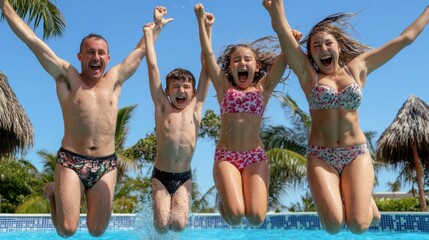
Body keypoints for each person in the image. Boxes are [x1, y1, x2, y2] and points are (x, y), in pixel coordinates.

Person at [0, 1, 173, 237]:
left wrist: (157, 27)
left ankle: (57, 195)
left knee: (97, 231)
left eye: (101, 53)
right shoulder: (66, 76)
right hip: (71, 160)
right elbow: (32, 41)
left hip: (106, 164)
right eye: (90, 52)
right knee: (67, 230)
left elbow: (139, 53)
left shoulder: (114, 80)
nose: (96, 56)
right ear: (80, 56)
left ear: (108, 58)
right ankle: (53, 195)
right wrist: (6, 7)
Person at [265, 0, 429, 234]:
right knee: (332, 226)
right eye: (316, 46)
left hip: (356, 154)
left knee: (358, 226)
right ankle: (353, 199)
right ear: (310, 53)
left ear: (338, 47)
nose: (323, 49)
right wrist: (275, 7)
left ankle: (364, 203)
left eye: (328, 43)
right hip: (321, 155)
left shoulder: (358, 68)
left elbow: (406, 38)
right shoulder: (308, 75)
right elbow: (282, 29)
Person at [194, 3, 301, 226]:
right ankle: (223, 199)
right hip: (227, 156)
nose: (242, 63)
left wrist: (292, 40)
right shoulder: (224, 88)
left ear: (258, 67)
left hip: (254, 157)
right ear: (230, 69)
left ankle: (237, 196)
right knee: (233, 217)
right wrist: (202, 22)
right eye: (236, 60)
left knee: (256, 218)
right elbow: (208, 53)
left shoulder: (263, 89)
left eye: (247, 59)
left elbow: (286, 58)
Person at [143, 14, 212, 233]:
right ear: (167, 91)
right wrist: (149, 34)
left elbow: (207, 66)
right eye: (175, 86)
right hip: (161, 176)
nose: (181, 91)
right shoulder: (162, 107)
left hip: (184, 177)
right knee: (162, 226)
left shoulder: (196, 107)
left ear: (193, 92)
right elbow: (153, 67)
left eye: (186, 87)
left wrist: (206, 27)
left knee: (179, 225)